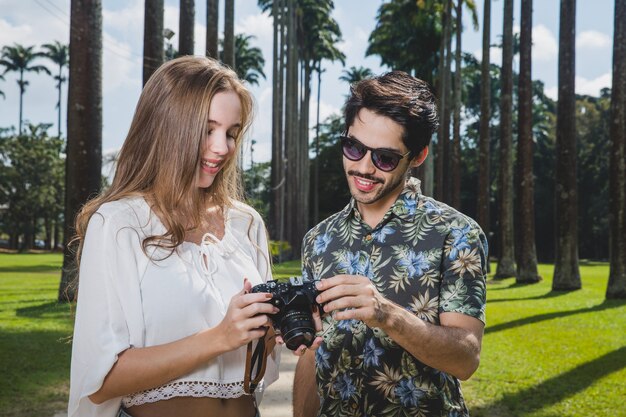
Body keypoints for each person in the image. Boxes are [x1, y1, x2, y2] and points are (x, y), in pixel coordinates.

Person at [68, 56, 280, 417]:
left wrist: (277, 327)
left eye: (231, 133)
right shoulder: (119, 223)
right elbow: (100, 381)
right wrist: (219, 337)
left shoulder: (247, 223)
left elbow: (257, 357)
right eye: (207, 129)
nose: (222, 148)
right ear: (166, 127)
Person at [293, 71, 488, 417]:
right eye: (354, 148)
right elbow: (313, 353)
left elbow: (466, 358)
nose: (364, 167)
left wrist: (387, 315)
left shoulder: (456, 233)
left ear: (417, 156)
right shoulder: (318, 240)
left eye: (384, 157)